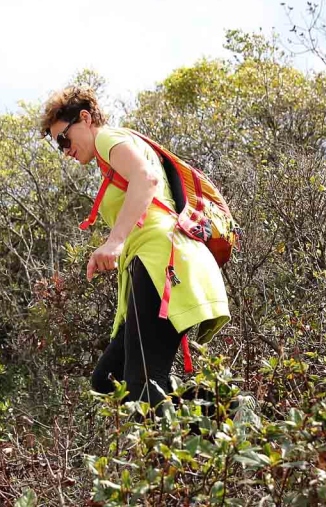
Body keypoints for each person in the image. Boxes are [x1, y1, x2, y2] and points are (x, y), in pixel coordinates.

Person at [41, 85, 231, 405]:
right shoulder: (112, 154)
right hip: (156, 264)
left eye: (64, 139)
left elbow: (146, 178)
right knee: (108, 381)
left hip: (162, 260)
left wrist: (114, 241)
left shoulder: (107, 138)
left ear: (85, 118)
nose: (65, 150)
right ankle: (225, 409)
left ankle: (227, 415)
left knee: (143, 385)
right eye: (58, 146)